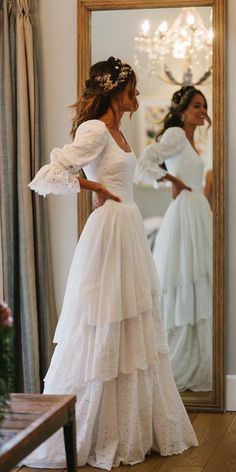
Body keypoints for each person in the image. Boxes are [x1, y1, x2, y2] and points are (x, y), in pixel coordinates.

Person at [23, 58, 198, 470]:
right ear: (117, 92)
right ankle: (90, 429)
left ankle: (133, 427)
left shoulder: (119, 130)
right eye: (133, 90)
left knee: (132, 323)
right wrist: (91, 184)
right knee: (101, 321)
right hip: (107, 235)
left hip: (129, 230)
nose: (136, 97)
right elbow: (50, 174)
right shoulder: (95, 129)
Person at [135, 85, 213, 392]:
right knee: (184, 280)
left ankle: (200, 358)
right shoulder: (177, 134)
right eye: (196, 105)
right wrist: (170, 178)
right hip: (185, 215)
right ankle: (176, 363)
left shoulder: (194, 140)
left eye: (204, 105)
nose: (202, 110)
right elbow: (144, 164)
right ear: (182, 111)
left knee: (199, 283)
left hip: (197, 211)